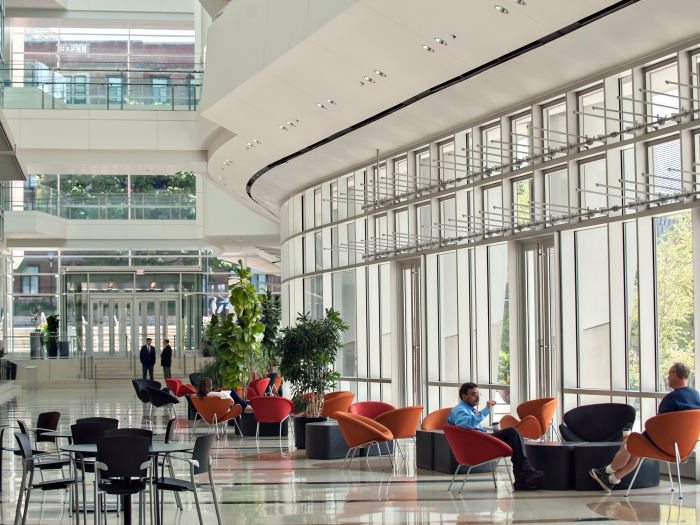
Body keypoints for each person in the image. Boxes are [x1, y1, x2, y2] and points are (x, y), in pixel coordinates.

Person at [590, 362, 700, 493]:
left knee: (628, 443)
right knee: (637, 449)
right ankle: (612, 479)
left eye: (669, 374)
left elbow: (660, 425)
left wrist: (643, 437)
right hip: (683, 448)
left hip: (666, 446)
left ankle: (606, 471)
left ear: (675, 375)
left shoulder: (672, 398)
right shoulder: (696, 395)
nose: (668, 377)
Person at [447, 382, 543, 489]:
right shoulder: (460, 410)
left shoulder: (466, 409)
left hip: (479, 441)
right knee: (511, 432)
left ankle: (522, 479)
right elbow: (467, 424)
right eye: (474, 394)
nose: (478, 397)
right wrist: (486, 409)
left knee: (514, 441)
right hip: (477, 445)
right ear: (464, 396)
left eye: (479, 394)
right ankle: (525, 471)